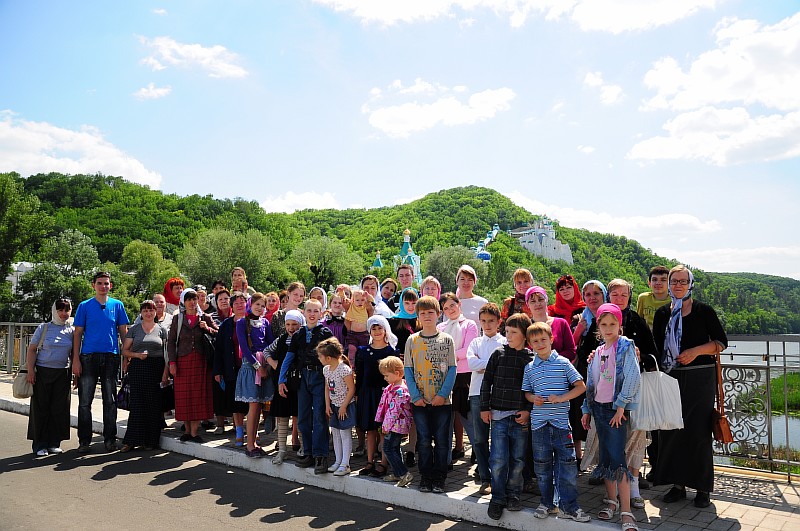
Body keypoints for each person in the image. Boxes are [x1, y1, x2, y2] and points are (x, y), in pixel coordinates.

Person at [653, 265, 727, 509]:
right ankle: (677, 485)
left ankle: (703, 488)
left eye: (683, 281)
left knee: (698, 432)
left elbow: (720, 343)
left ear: (690, 284)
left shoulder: (703, 311)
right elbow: (656, 347)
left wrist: (696, 352)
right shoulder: (663, 313)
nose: (678, 285)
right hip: (671, 377)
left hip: (699, 377)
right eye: (674, 281)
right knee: (673, 431)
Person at [581, 303, 641, 531]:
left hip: (615, 411)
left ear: (620, 325)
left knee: (617, 461)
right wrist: (586, 410)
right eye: (604, 324)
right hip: (598, 408)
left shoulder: (625, 346)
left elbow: (633, 378)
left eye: (612, 324)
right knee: (605, 458)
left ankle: (627, 513)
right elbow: (592, 382)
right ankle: (612, 501)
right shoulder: (598, 351)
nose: (608, 328)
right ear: (598, 326)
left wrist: (621, 407)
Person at [523, 321, 589, 522]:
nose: (540, 344)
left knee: (567, 466)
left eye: (544, 339)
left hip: (560, 425)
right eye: (535, 341)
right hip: (539, 425)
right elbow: (527, 392)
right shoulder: (529, 367)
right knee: (542, 467)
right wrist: (533, 398)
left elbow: (580, 386)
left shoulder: (563, 363)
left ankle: (569, 506)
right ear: (530, 344)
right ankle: (547, 503)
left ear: (552, 340)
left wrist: (561, 398)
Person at [480, 313, 532, 520]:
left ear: (525, 335)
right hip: (499, 416)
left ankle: (514, 494)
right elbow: (486, 382)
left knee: (518, 459)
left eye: (513, 332)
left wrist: (528, 409)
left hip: (520, 418)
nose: (508, 336)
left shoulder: (530, 358)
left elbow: (534, 388)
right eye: (507, 332)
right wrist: (484, 407)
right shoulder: (498, 354)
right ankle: (497, 497)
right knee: (498, 459)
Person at [72, 271, 130, 453]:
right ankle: (84, 440)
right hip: (88, 357)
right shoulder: (84, 306)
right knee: (85, 400)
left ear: (110, 286)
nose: (103, 286)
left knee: (110, 400)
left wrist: (126, 356)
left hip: (111, 356)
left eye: (106, 283)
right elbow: (78, 333)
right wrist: (75, 359)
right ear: (93, 285)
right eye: (100, 283)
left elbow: (123, 332)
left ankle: (110, 439)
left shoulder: (117, 305)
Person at [404, 296, 456, 494]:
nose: (427, 316)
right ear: (417, 316)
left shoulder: (447, 340)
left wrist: (442, 394)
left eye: (431, 312)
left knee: (442, 441)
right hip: (420, 402)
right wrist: (415, 396)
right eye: (423, 313)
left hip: (442, 401)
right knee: (424, 440)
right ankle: (425, 476)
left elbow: (452, 368)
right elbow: (408, 370)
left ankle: (439, 477)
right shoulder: (412, 340)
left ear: (438, 314)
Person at [278, 298, 334, 474]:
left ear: (321, 314)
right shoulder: (298, 334)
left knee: (319, 416)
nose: (312, 314)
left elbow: (334, 358)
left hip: (320, 377)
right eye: (309, 311)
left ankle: (320, 455)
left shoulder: (326, 333)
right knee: (303, 417)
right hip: (303, 378)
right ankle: (307, 451)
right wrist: (281, 379)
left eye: (315, 311)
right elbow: (289, 357)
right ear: (304, 312)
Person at [466, 302, 506, 494]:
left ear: (499, 321)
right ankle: (485, 477)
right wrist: (492, 365)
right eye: (483, 321)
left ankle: (500, 476)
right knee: (480, 438)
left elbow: (503, 367)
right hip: (476, 393)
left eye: (491, 321)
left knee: (499, 438)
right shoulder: (475, 342)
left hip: (499, 394)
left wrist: (486, 366)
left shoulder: (505, 342)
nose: (487, 325)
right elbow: (472, 363)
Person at [168, 288, 217, 443]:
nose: (192, 302)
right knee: (184, 396)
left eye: (194, 299)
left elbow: (218, 332)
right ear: (184, 301)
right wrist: (172, 362)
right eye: (189, 299)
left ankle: (194, 432)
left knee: (197, 396)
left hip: (200, 361)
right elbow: (170, 342)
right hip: (182, 361)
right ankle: (187, 430)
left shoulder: (205, 317)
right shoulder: (178, 319)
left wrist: (206, 328)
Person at [26, 298, 74, 456]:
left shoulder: (71, 330)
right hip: (43, 371)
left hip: (63, 373)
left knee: (59, 408)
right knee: (41, 408)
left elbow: (74, 353)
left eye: (66, 310)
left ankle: (54, 442)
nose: (63, 314)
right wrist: (31, 371)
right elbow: (32, 349)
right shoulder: (44, 328)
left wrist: (76, 374)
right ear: (54, 311)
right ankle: (40, 444)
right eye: (60, 310)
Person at [120, 300, 168, 452]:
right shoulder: (134, 329)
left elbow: (167, 353)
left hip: (157, 369)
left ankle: (151, 441)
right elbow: (124, 350)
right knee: (137, 404)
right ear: (141, 313)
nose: (148, 313)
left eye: (151, 310)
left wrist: (165, 372)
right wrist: (136, 355)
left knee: (153, 405)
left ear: (155, 312)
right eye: (145, 310)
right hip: (138, 368)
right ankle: (131, 441)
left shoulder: (162, 330)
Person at [437, 292, 479, 464]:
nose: (450, 310)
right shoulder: (440, 328)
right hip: (444, 376)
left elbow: (468, 351)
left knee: (467, 417)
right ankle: (445, 461)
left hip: (464, 376)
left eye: (452, 305)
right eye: (445, 308)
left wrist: (446, 356)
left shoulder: (470, 325)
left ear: (459, 304)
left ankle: (479, 454)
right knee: (446, 421)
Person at [355, 315, 398, 478]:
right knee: (370, 430)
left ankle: (384, 463)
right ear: (369, 331)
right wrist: (358, 395)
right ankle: (369, 461)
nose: (377, 331)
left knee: (383, 430)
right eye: (374, 328)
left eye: (380, 327)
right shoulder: (362, 351)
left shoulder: (392, 351)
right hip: (367, 393)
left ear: (385, 329)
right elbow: (359, 375)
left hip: (385, 395)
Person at [570, 279, 607, 463]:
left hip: (607, 376)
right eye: (588, 294)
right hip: (584, 374)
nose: (592, 298)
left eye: (596, 294)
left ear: (604, 295)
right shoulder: (580, 318)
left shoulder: (610, 317)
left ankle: (601, 461)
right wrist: (580, 330)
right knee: (580, 414)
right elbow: (571, 347)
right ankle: (580, 459)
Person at [235, 292, 275, 458]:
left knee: (258, 406)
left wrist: (269, 361)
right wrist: (258, 366)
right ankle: (249, 444)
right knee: (253, 406)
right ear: (250, 304)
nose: (260, 308)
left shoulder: (265, 322)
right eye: (257, 304)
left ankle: (255, 442)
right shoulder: (242, 323)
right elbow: (244, 348)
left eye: (263, 305)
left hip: (264, 364)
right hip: (251, 366)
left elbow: (270, 343)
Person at [265, 309, 304, 464]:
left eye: (294, 324)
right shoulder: (281, 340)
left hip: (299, 384)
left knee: (300, 417)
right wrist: (274, 363)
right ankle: (282, 450)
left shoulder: (303, 339)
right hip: (282, 384)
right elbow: (266, 351)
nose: (291, 327)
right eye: (288, 324)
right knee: (282, 418)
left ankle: (303, 447)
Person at [213, 291, 249, 445]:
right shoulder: (226, 325)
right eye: (236, 303)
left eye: (243, 302)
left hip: (250, 369)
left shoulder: (253, 322)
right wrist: (218, 371)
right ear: (232, 306)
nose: (240, 305)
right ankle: (239, 430)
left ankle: (252, 431)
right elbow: (219, 349)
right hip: (232, 369)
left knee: (252, 402)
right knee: (236, 402)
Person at [319, 337, 356, 476]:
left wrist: (344, 406)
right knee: (335, 432)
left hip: (345, 406)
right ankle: (338, 461)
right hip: (334, 406)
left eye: (320, 356)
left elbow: (351, 389)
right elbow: (327, 388)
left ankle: (345, 463)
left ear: (328, 357)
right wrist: (328, 404)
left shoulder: (344, 369)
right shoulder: (326, 370)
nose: (319, 358)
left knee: (344, 433)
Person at [376, 355, 414, 487]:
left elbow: (394, 411)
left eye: (386, 375)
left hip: (396, 425)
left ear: (397, 373)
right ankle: (398, 472)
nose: (385, 378)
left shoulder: (400, 391)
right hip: (395, 425)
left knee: (388, 448)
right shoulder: (394, 387)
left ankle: (403, 473)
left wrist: (386, 426)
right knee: (394, 448)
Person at [526, 286, 576, 361]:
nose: (538, 304)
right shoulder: (525, 326)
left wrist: (550, 360)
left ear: (546, 300)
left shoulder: (561, 323)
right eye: (533, 301)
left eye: (541, 299)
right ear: (528, 305)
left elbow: (571, 351)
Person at [499, 268, 534, 333]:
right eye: (519, 282)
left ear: (531, 282)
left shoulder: (537, 301)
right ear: (515, 285)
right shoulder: (509, 303)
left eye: (526, 281)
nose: (523, 285)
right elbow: (501, 326)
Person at [344, 288, 371, 365]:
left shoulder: (365, 307)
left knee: (363, 351)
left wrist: (367, 295)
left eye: (362, 300)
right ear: (353, 300)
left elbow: (372, 300)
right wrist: (341, 292)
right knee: (351, 349)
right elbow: (344, 299)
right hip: (353, 334)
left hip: (364, 334)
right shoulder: (352, 306)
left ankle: (362, 367)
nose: (360, 302)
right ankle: (351, 366)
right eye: (357, 300)